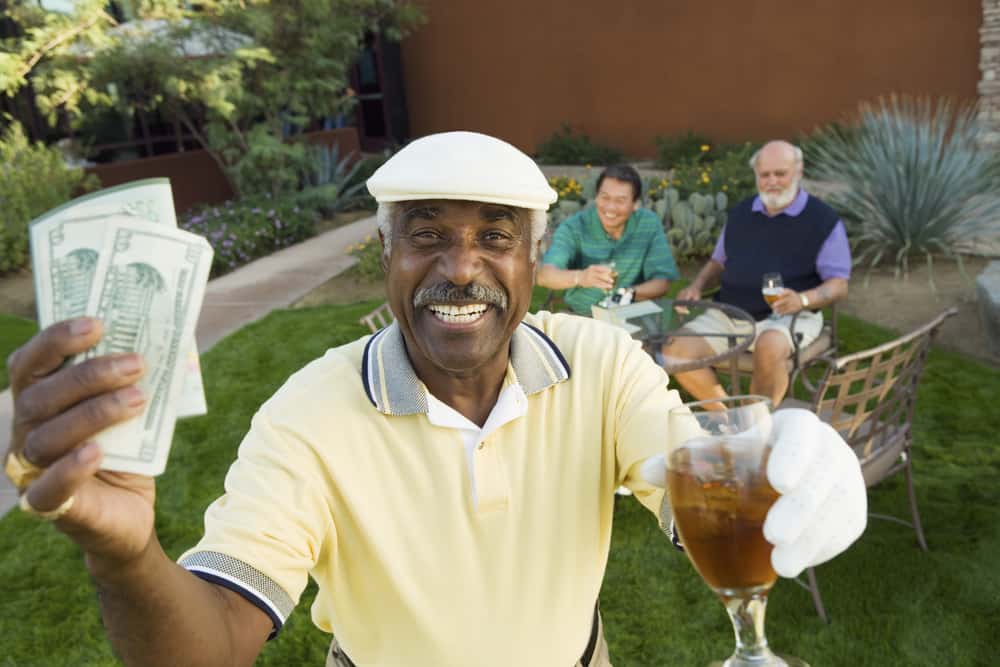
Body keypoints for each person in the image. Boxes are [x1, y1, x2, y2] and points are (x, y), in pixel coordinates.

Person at [4, 131, 866, 667]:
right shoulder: (309, 412)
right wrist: (124, 555)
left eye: (494, 238)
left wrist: (797, 470)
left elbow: (702, 494)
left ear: (534, 263)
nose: (460, 266)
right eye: (426, 236)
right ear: (385, 257)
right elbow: (218, 636)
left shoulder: (601, 363)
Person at [662, 140, 851, 407]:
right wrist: (697, 284)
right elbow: (719, 262)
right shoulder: (742, 213)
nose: (772, 181)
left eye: (780, 174)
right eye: (765, 174)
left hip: (788, 316)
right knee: (674, 351)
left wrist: (803, 299)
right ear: (757, 176)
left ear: (798, 172)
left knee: (770, 345)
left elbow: (839, 285)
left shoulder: (823, 220)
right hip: (729, 313)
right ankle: (728, 419)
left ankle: (756, 421)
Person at [536, 164, 679, 315]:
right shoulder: (574, 227)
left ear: (635, 204)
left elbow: (662, 282)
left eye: (620, 200)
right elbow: (545, 276)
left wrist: (627, 294)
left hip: (630, 314)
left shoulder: (648, 224)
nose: (610, 207)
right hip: (582, 316)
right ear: (596, 197)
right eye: (605, 197)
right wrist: (581, 277)